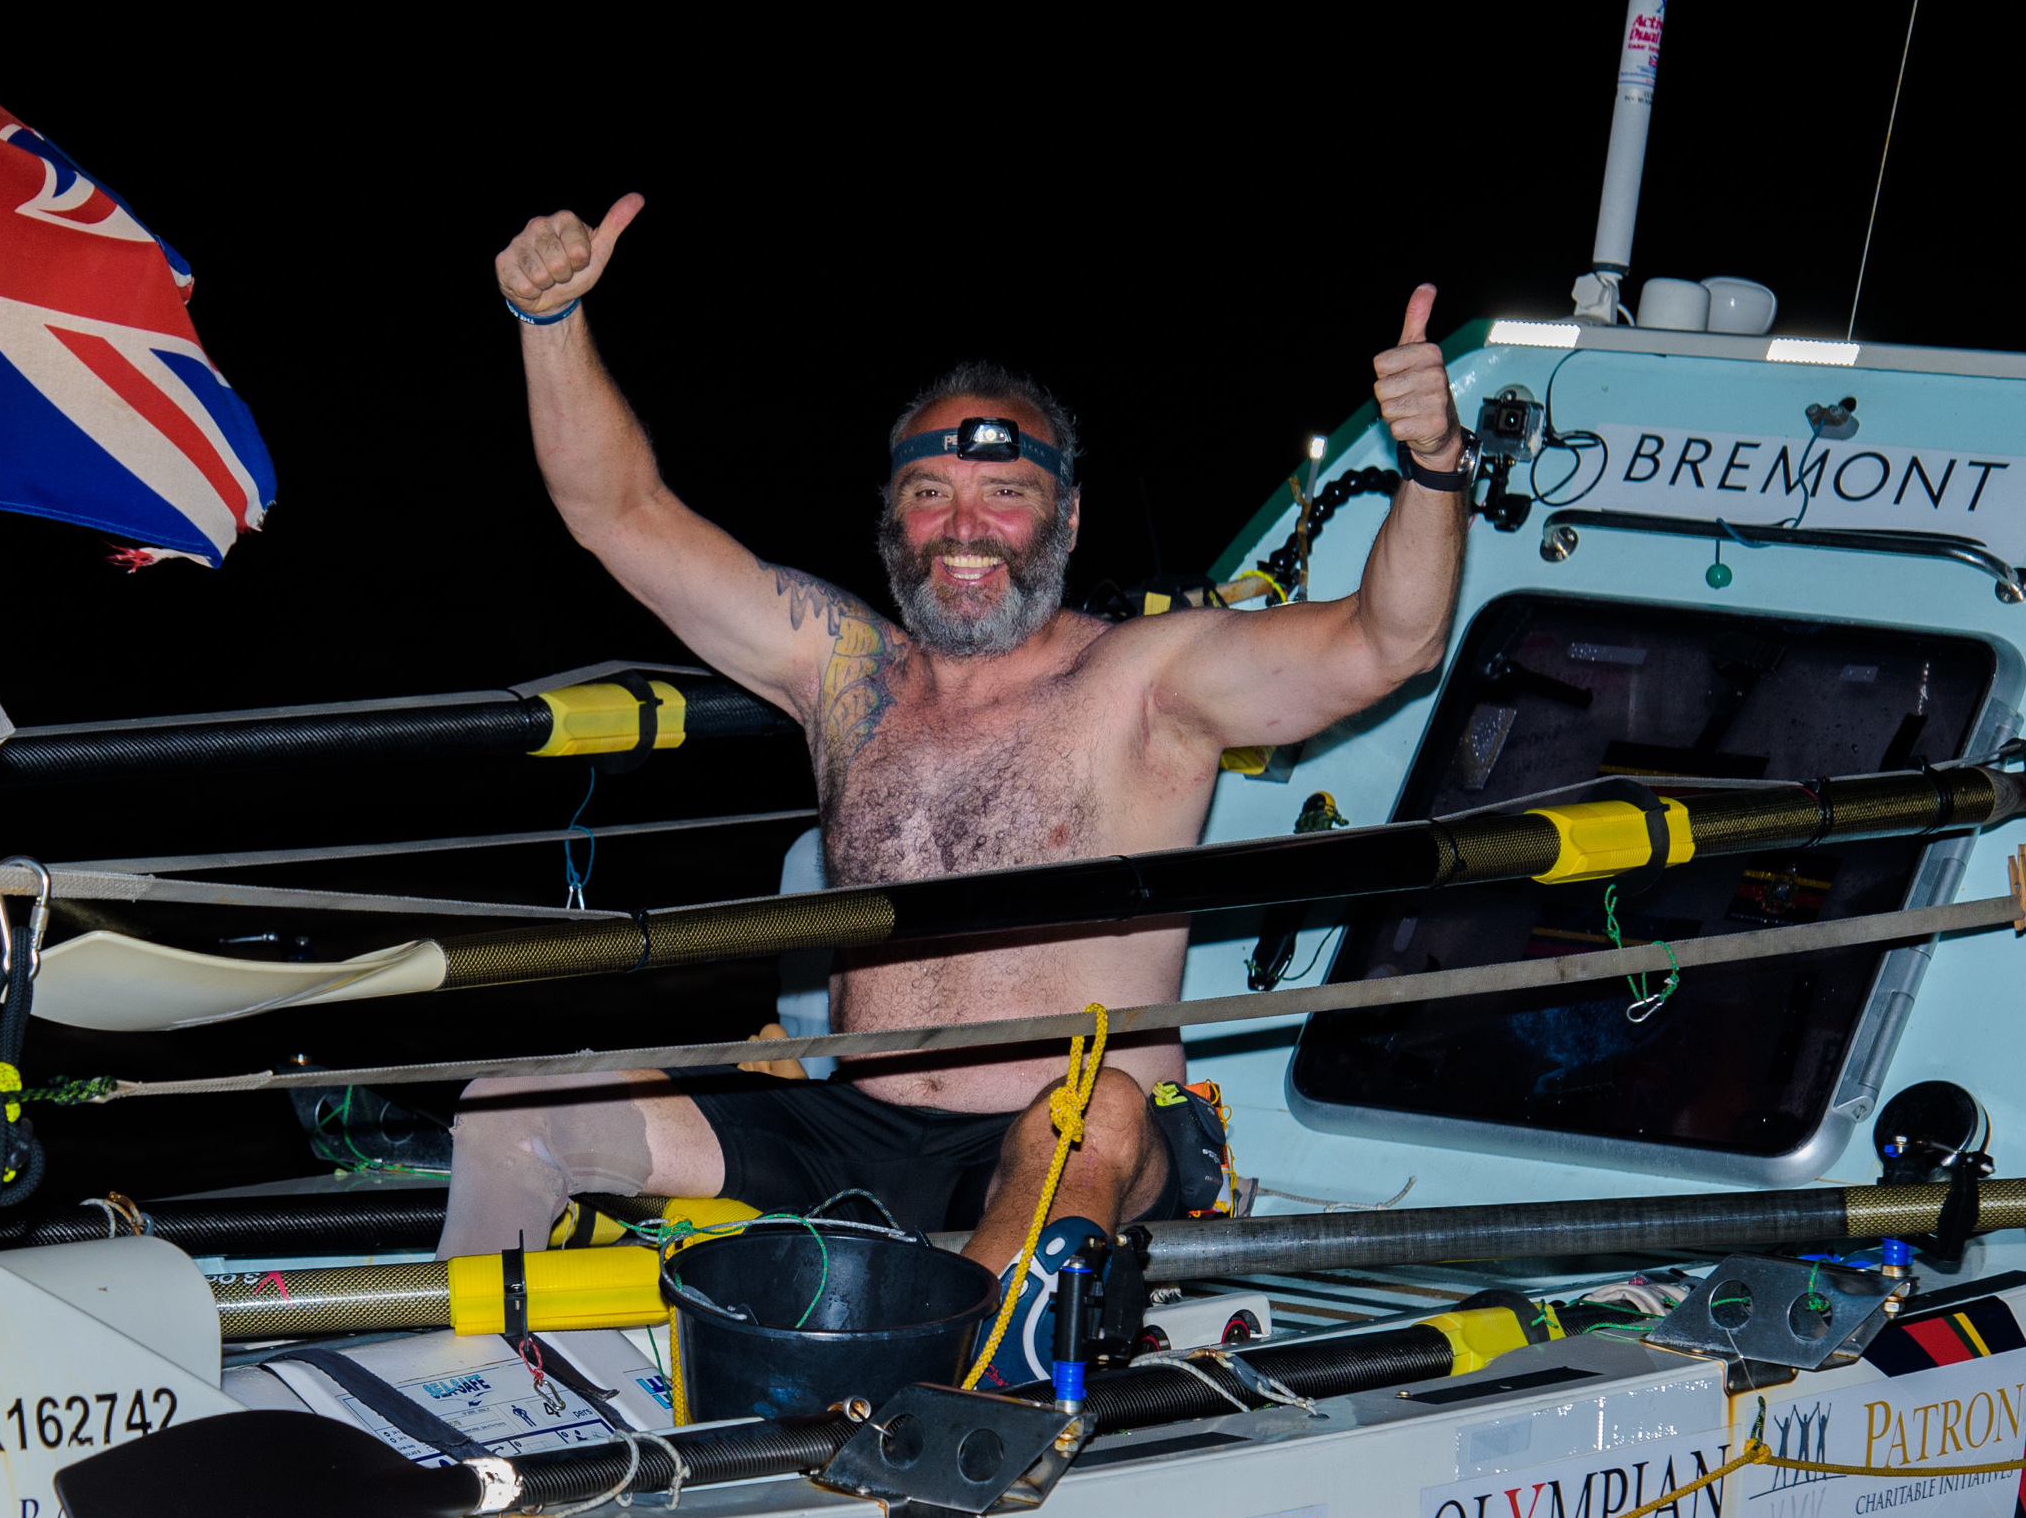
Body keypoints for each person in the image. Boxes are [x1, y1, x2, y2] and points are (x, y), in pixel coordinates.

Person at [440, 194, 1468, 1277]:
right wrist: (548, 321)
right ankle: (468, 1370)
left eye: (1006, 495)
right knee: (516, 1105)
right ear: (893, 511)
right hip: (853, 1125)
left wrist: (1435, 459)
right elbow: (620, 511)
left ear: (1068, 517)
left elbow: (1389, 640)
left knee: (1092, 1116)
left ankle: (967, 1365)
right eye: (932, 493)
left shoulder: (1146, 678)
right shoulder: (842, 669)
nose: (965, 530)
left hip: (1071, 1141)